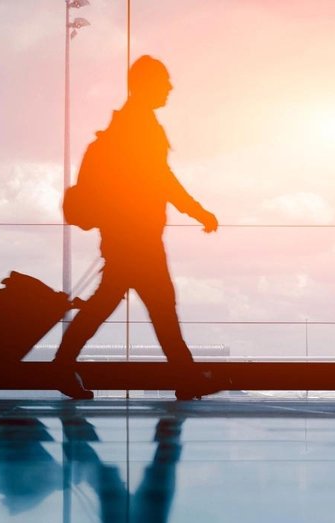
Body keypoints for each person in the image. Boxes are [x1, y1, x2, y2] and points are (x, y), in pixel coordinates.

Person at [55, 56, 219, 401]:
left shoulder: (129, 124)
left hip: (126, 235)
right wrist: (197, 210)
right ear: (146, 85)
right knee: (157, 306)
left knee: (125, 304)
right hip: (137, 237)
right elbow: (161, 179)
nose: (170, 87)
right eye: (164, 81)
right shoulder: (140, 126)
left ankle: (63, 365)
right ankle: (186, 377)